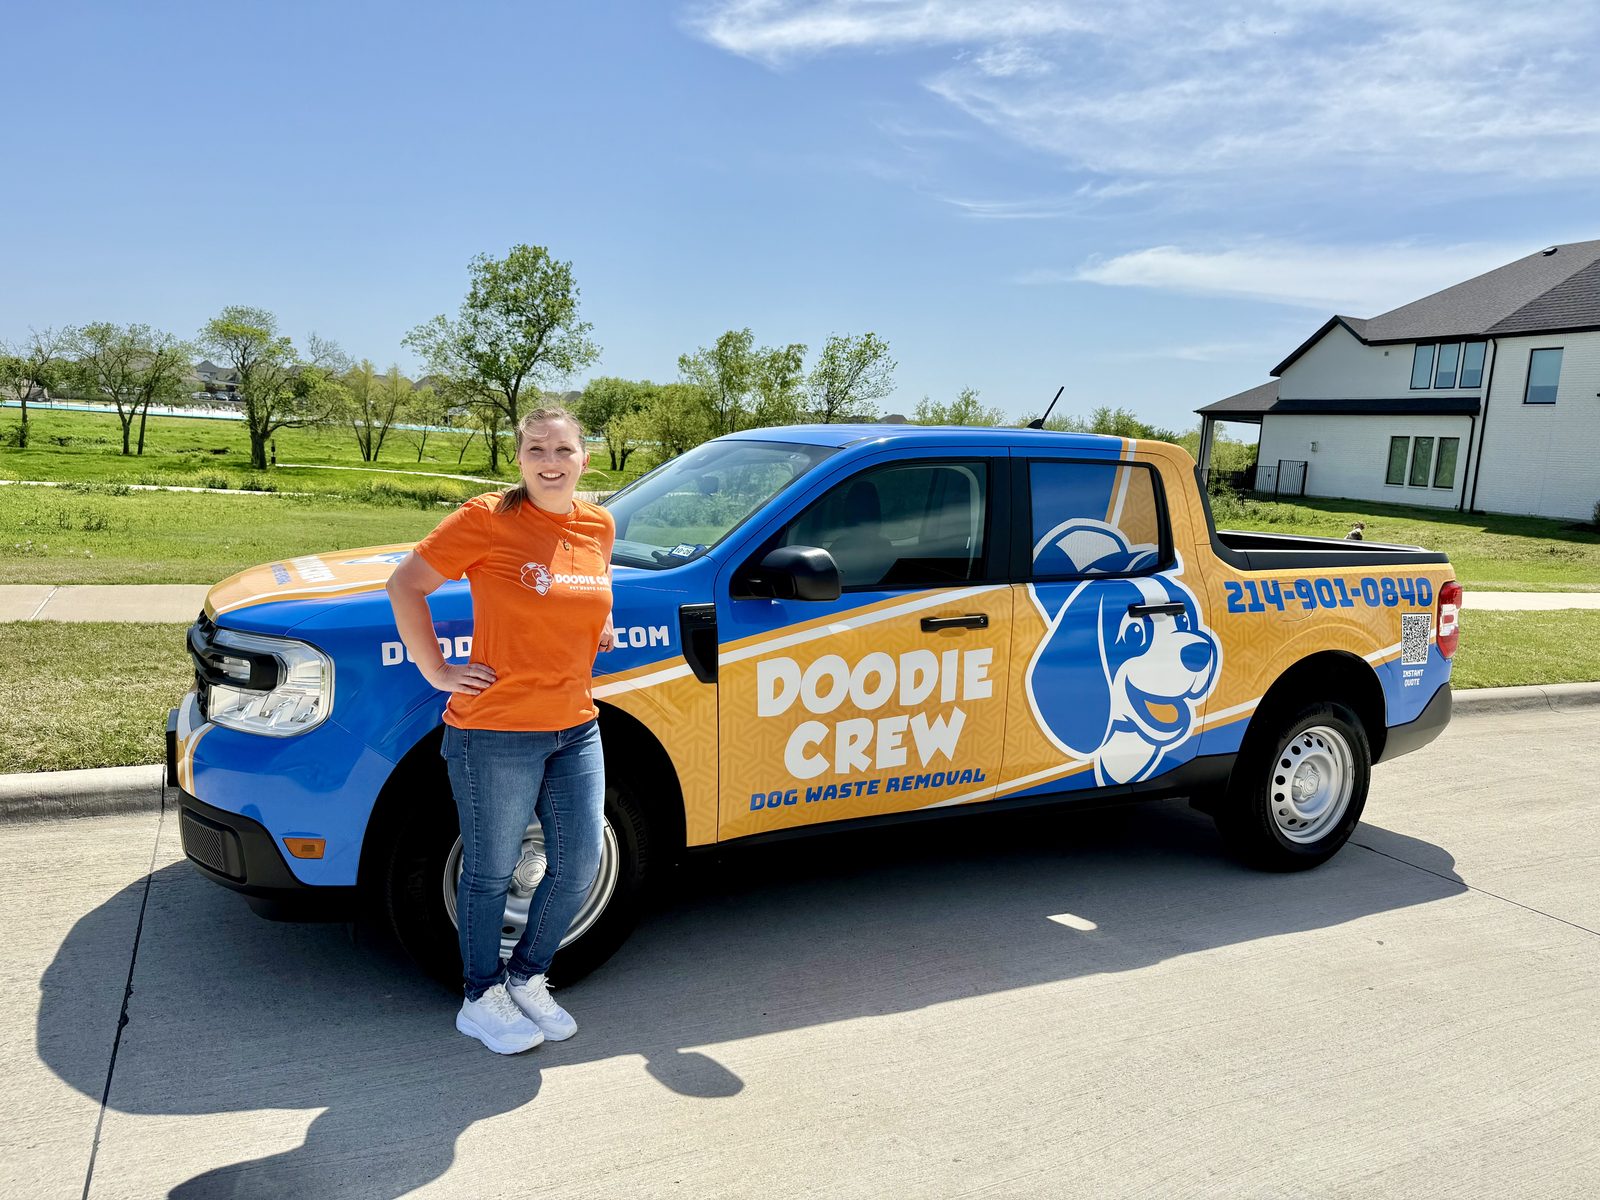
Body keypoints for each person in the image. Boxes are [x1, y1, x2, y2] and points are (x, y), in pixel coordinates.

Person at [385, 406, 615, 1055]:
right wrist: (436, 669)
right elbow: (406, 584)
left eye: (563, 450)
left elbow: (595, 586)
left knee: (578, 865)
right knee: (490, 871)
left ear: (584, 458)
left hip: (576, 726)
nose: (550, 461)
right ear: (519, 458)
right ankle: (479, 996)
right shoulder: (487, 519)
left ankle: (527, 976)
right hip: (495, 731)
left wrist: (598, 624)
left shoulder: (598, 524)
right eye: (536, 449)